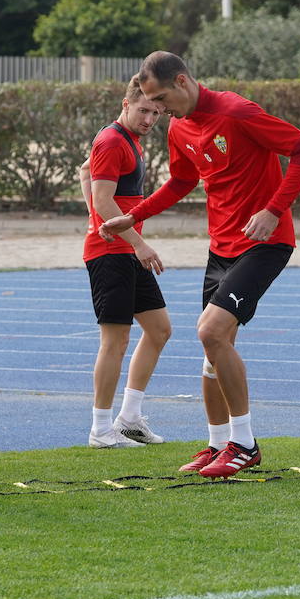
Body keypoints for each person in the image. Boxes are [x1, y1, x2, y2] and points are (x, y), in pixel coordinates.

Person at [100, 51, 300, 478]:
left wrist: (275, 209)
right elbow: (183, 180)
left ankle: (245, 444)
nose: (160, 110)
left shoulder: (236, 112)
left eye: (162, 98)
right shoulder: (180, 126)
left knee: (211, 330)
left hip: (265, 242)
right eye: (151, 102)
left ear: (183, 82)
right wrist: (135, 215)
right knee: (213, 346)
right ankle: (219, 444)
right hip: (221, 246)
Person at [79, 76, 170, 449]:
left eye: (157, 113)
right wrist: (139, 245)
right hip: (112, 254)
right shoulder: (112, 140)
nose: (150, 119)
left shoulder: (128, 139)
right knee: (115, 341)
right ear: (126, 104)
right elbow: (103, 201)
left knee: (159, 328)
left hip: (125, 250)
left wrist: (97, 219)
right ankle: (101, 429)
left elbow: (85, 171)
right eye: (144, 110)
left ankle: (129, 418)